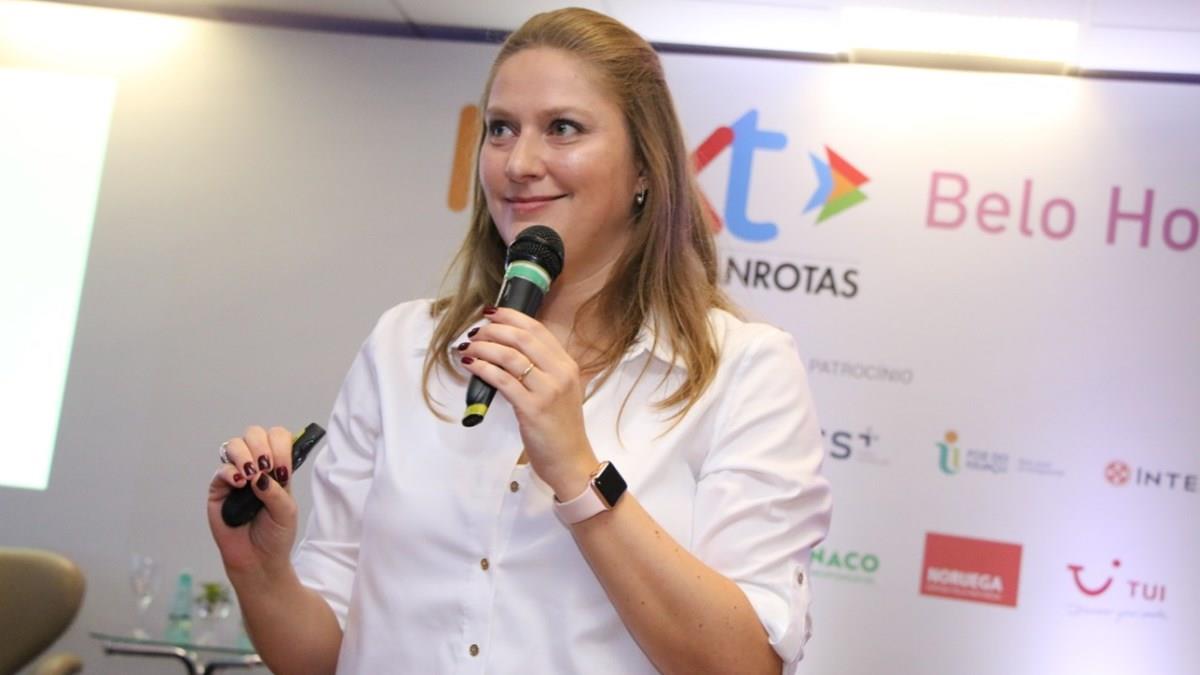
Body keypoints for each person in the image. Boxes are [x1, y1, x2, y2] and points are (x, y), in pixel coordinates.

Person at [207, 7, 831, 674]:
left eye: (563, 128)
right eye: (501, 129)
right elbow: (324, 658)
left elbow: (746, 664)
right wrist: (260, 573)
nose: (519, 163)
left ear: (645, 168)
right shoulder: (403, 347)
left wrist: (578, 472)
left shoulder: (744, 370)